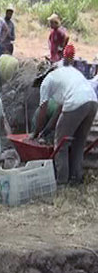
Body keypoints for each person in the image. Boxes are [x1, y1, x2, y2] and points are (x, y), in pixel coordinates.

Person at [32, 44, 98, 185]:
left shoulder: (46, 82)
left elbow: (42, 111)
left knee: (61, 143)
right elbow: (60, 111)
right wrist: (47, 130)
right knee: (79, 142)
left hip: (77, 101)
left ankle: (62, 181)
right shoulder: (66, 73)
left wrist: (35, 133)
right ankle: (76, 178)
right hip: (92, 101)